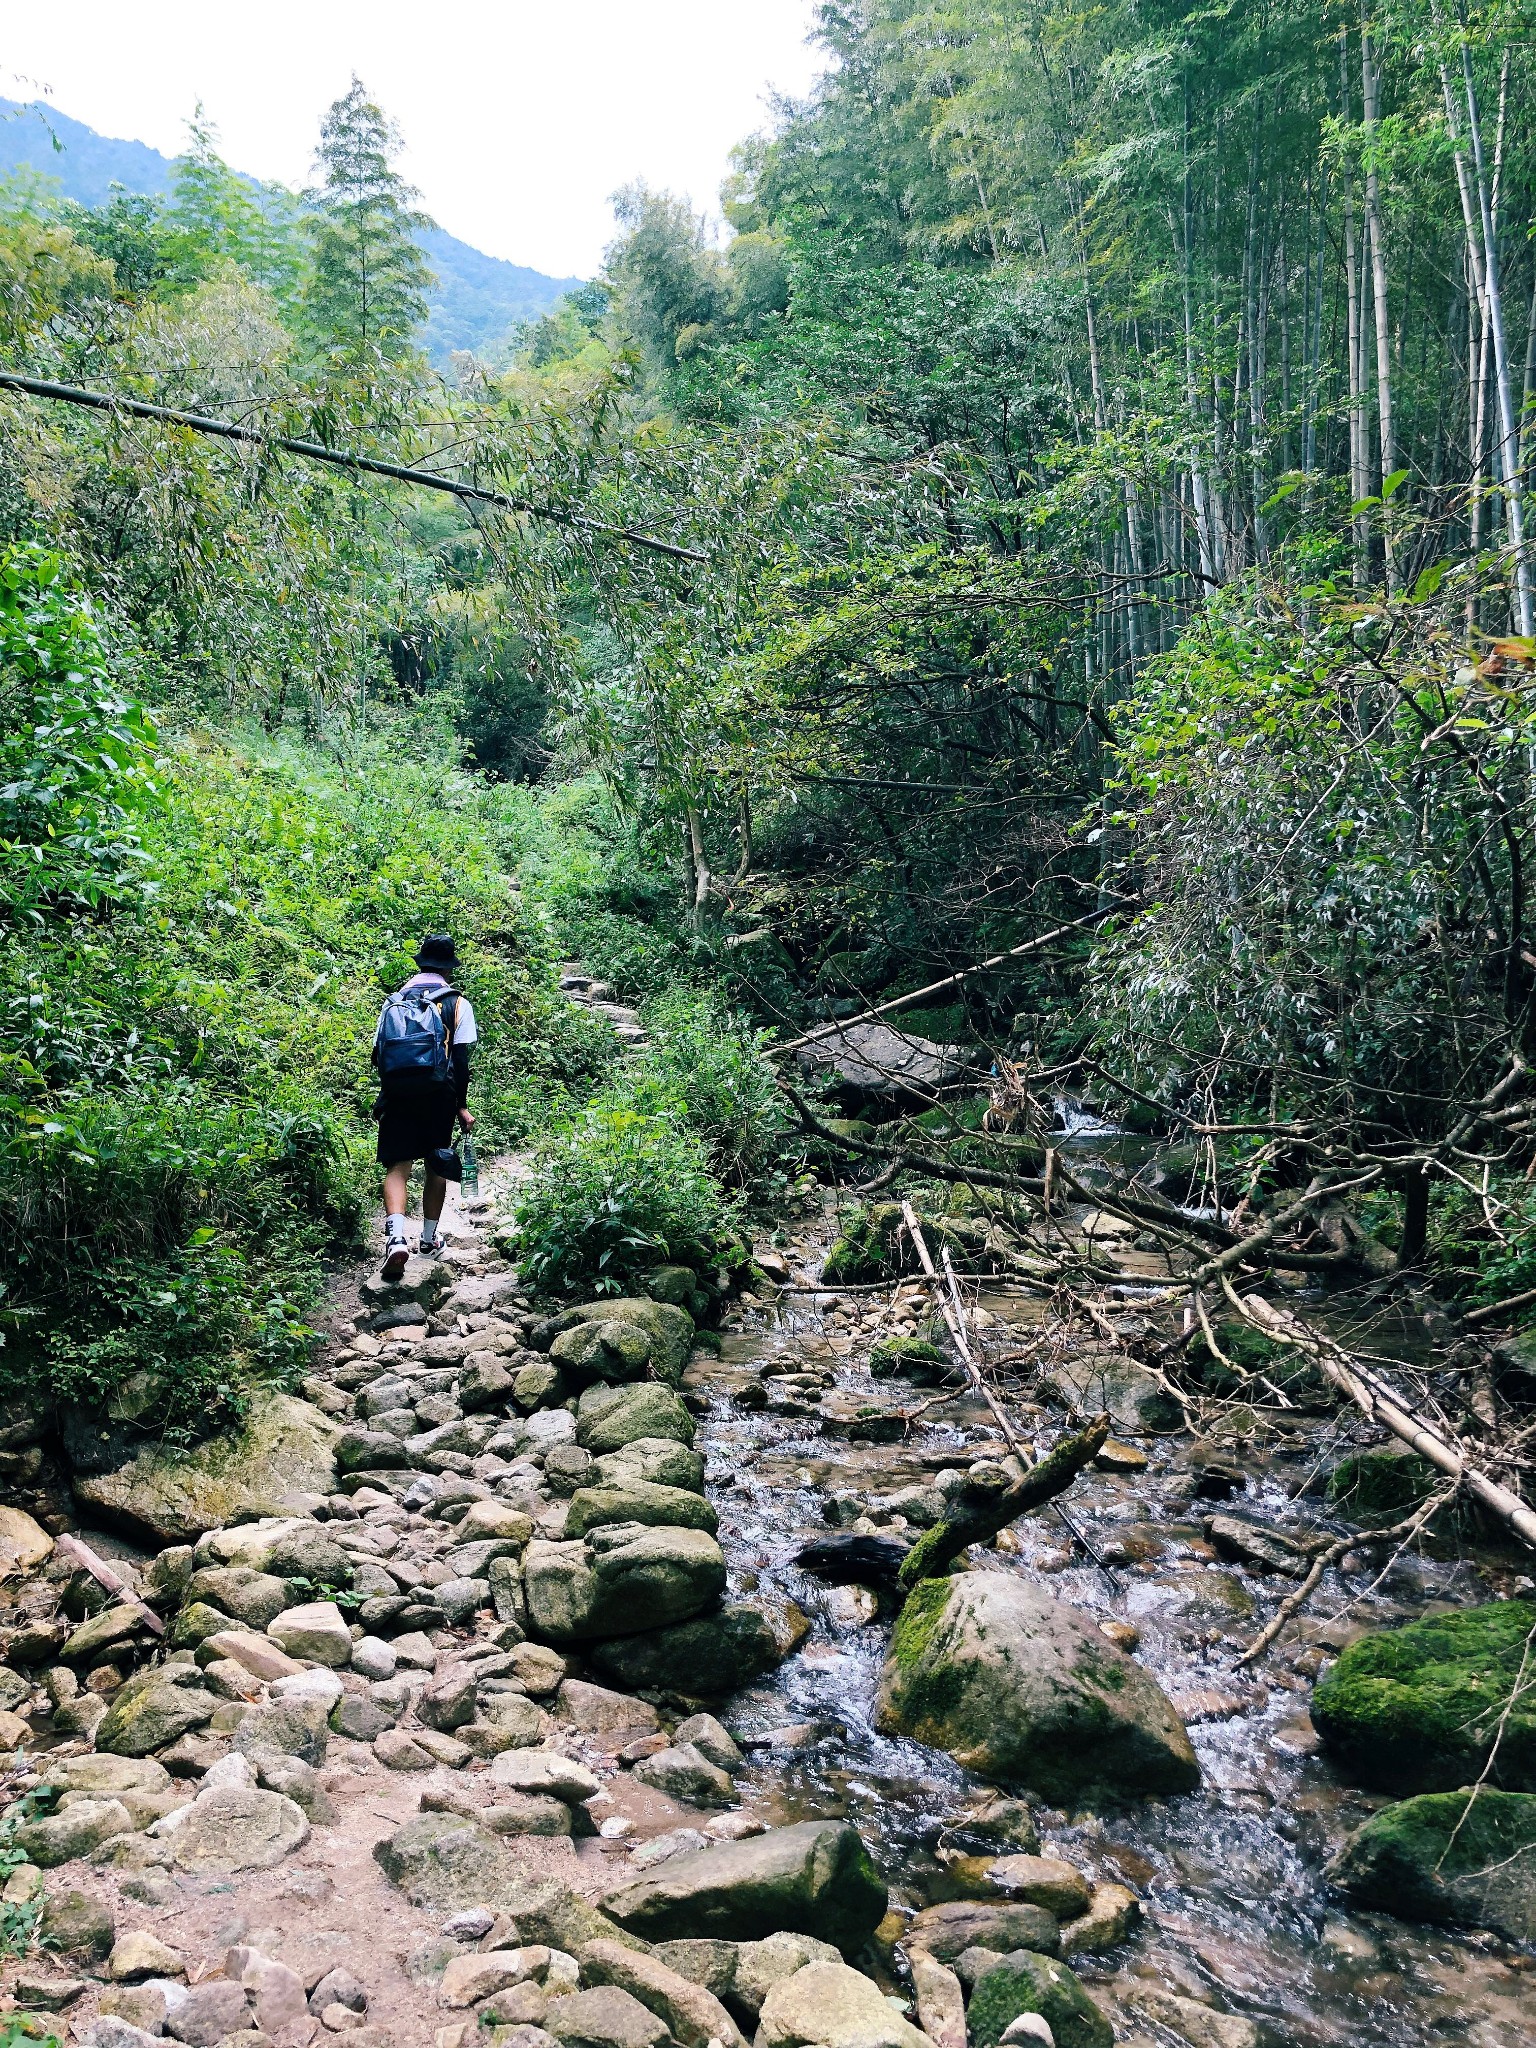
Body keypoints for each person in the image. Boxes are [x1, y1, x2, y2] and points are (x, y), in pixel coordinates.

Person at [373, 934, 477, 1281]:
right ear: (448, 969)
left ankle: (395, 1238)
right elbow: (460, 1062)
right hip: (439, 1094)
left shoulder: (394, 1002)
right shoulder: (457, 1003)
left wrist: (392, 1091)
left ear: (421, 964)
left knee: (398, 1166)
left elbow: (379, 1055)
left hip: (398, 1092)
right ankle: (429, 1240)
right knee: (436, 1162)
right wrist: (461, 1107)